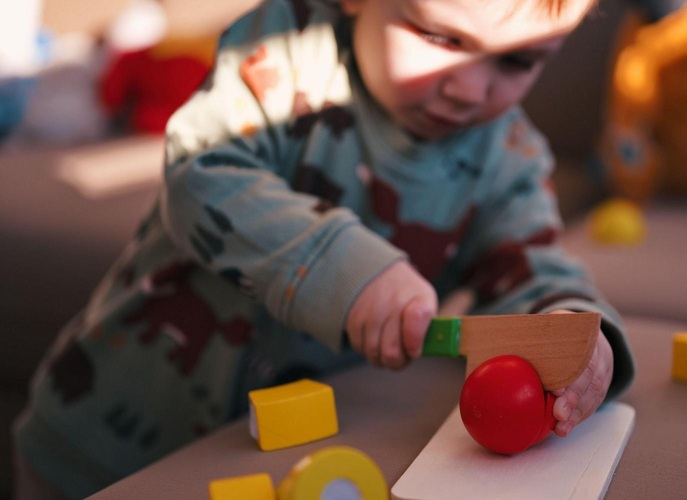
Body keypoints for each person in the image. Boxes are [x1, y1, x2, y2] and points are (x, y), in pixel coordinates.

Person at [12, 0, 635, 497]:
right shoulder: (286, 50)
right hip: (100, 445)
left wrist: (577, 340)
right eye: (442, 37)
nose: (470, 90)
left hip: (285, 463)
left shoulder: (512, 157)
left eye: (519, 61)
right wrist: (344, 267)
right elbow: (202, 172)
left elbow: (533, 265)